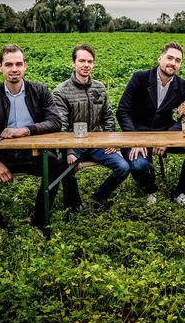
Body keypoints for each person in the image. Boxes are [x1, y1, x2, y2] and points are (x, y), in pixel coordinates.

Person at [0, 44, 72, 233]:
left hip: (33, 154)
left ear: (25, 66)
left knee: (56, 165)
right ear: (0, 67)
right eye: (8, 64)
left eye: (18, 64)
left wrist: (25, 130)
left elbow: (55, 122)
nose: (14, 69)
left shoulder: (40, 92)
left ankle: (39, 222)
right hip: (2, 156)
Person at [116, 42, 185, 207]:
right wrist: (135, 139)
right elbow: (123, 111)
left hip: (167, 134)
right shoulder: (139, 78)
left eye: (177, 60)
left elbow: (183, 118)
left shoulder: (183, 86)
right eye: (169, 58)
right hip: (138, 134)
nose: (173, 63)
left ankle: (181, 192)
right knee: (138, 165)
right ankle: (150, 190)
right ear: (160, 58)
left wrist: (166, 138)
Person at [53, 44, 130, 209]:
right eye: (81, 60)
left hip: (96, 142)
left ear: (94, 64)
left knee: (123, 167)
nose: (86, 65)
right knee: (64, 166)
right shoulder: (62, 91)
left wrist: (110, 139)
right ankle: (73, 206)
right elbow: (62, 125)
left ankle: (98, 197)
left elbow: (108, 115)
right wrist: (69, 151)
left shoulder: (99, 87)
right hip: (74, 143)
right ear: (73, 63)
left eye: (90, 61)